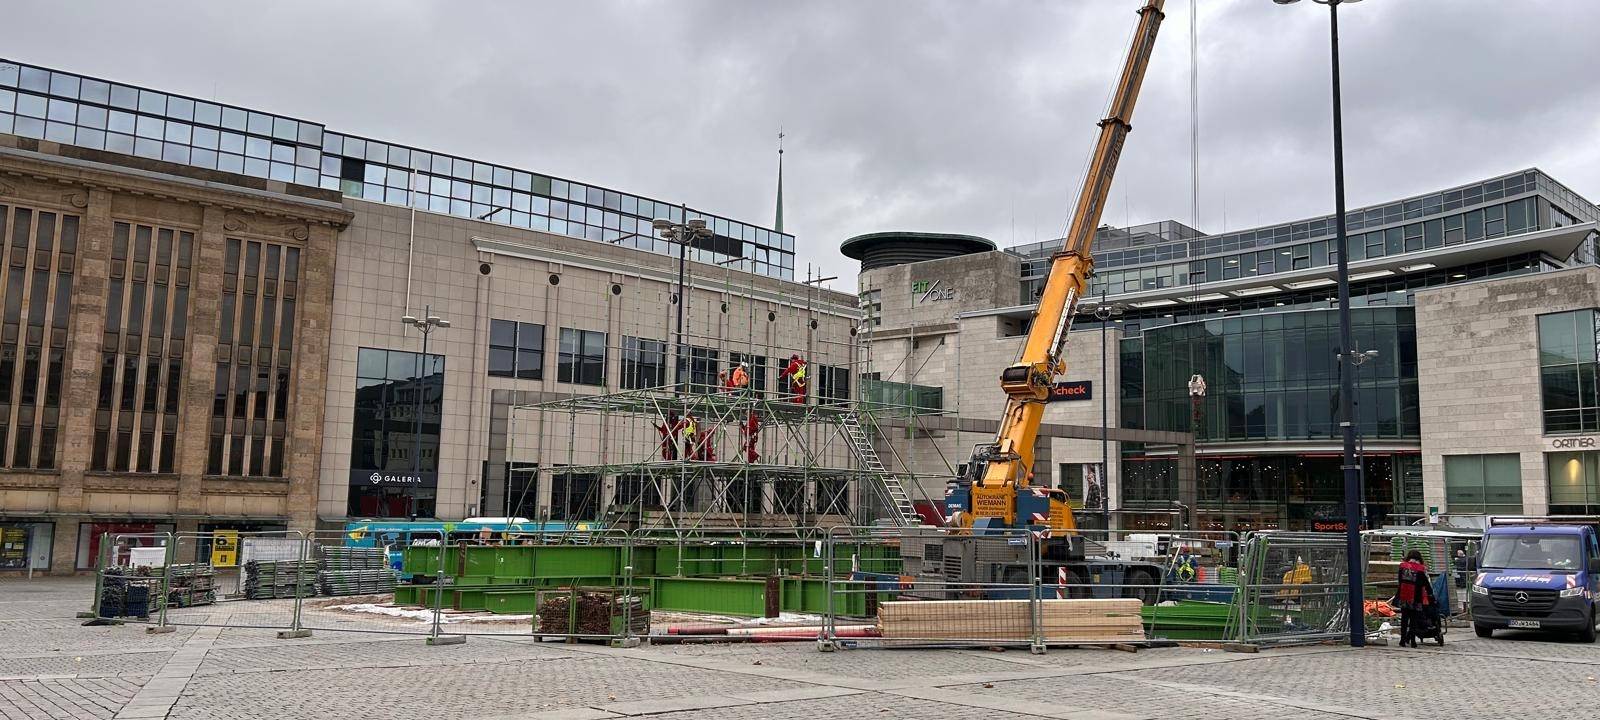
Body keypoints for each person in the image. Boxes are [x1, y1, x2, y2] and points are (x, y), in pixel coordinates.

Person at [1397, 549, 1436, 648]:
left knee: (1404, 619)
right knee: (1413, 620)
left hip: (1404, 595)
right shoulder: (1420, 569)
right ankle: (1413, 641)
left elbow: (1399, 580)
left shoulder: (1402, 566)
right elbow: (1425, 583)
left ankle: (1402, 640)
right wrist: (1430, 594)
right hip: (1416, 597)